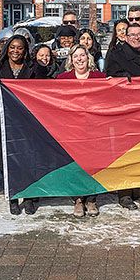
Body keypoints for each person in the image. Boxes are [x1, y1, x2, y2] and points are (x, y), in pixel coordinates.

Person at [105, 21, 140, 209]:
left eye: (139, 35)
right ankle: (125, 193)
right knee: (125, 154)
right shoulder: (116, 54)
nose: (136, 38)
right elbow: (109, 78)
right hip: (124, 112)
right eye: (132, 35)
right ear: (125, 37)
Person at [0, 35, 36, 215]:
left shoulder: (33, 69)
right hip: (2, 122)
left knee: (27, 161)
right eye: (12, 47)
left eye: (19, 48)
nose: (15, 51)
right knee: (8, 161)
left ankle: (28, 197)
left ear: (25, 50)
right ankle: (13, 197)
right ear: (7, 48)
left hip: (26, 123)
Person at [56, 45, 107, 217]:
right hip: (72, 129)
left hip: (95, 129)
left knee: (94, 163)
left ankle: (92, 198)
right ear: (70, 59)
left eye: (82, 55)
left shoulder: (100, 78)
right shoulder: (62, 79)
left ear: (88, 57)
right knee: (75, 165)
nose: (79, 59)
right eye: (75, 56)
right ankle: (78, 199)